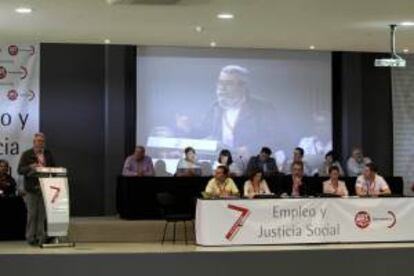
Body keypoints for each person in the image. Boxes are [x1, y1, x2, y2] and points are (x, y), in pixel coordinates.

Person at [175, 65, 286, 159]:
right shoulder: (216, 107)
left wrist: (251, 149)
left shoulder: (263, 107)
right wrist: (189, 128)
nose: (221, 87)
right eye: (220, 82)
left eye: (228, 83)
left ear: (243, 86)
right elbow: (205, 132)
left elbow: (276, 137)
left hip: (251, 163)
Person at [18, 133, 56, 246]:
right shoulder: (27, 154)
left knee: (42, 215)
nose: (40, 143)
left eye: (42, 141)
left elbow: (54, 167)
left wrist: (48, 169)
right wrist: (30, 167)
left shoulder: (48, 154)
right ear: (34, 143)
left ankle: (41, 237)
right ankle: (30, 237)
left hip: (45, 188)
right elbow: (20, 170)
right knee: (32, 214)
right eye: (38, 141)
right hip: (31, 189)